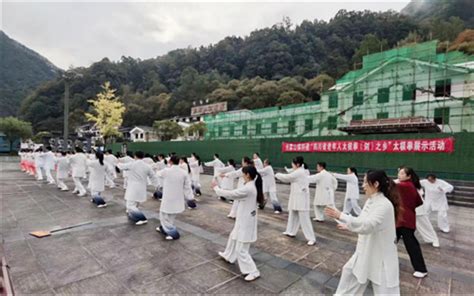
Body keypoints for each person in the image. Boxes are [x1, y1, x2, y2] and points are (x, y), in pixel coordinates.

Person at [325, 170, 400, 295]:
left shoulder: (384, 205)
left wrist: (342, 215)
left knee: (385, 291)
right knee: (349, 273)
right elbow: (362, 220)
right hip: (365, 251)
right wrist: (348, 225)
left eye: (366, 182)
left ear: (375, 184)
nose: (363, 185)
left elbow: (368, 225)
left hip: (380, 256)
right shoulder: (371, 200)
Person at [212, 166, 262, 282]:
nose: (242, 175)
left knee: (241, 250)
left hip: (246, 222)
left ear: (248, 175)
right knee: (233, 237)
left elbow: (231, 194)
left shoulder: (248, 188)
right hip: (243, 220)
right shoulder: (250, 186)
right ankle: (229, 256)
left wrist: (216, 188)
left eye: (243, 174)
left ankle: (253, 271)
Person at [275, 156, 316, 246]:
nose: (292, 165)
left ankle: (311, 238)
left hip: (301, 198)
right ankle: (290, 231)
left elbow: (287, 177)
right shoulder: (298, 171)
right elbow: (290, 173)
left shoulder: (300, 172)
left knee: (304, 219)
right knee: (293, 215)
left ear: (297, 164)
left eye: (293, 164)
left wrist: (277, 174)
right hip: (296, 197)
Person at [397, 166, 428, 278]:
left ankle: (421, 269)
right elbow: (418, 202)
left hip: (404, 221)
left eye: (401, 173)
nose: (399, 175)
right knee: (390, 240)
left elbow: (389, 186)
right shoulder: (411, 186)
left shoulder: (404, 186)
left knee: (411, 245)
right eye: (399, 173)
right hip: (405, 219)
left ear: (408, 176)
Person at [155, 155, 193, 240]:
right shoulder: (183, 172)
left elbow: (157, 173)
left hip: (168, 198)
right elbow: (187, 186)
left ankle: (173, 234)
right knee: (171, 215)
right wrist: (190, 197)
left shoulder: (166, 171)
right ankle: (164, 229)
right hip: (178, 197)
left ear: (170, 162)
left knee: (163, 215)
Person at [118, 151, 158, 225]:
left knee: (130, 205)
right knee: (136, 203)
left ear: (135, 156)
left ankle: (141, 218)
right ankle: (134, 215)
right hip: (142, 187)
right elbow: (153, 177)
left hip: (133, 187)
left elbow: (121, 166)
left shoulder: (132, 164)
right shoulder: (147, 166)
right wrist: (157, 185)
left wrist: (117, 162)